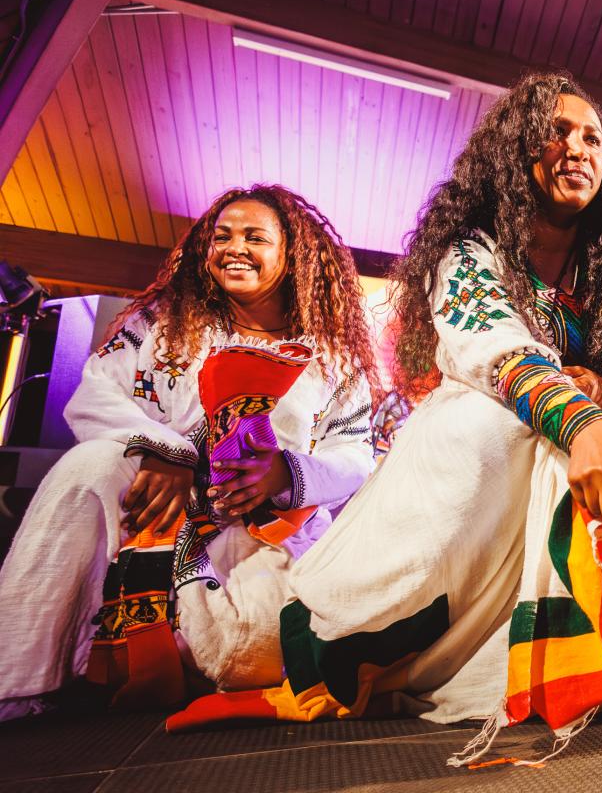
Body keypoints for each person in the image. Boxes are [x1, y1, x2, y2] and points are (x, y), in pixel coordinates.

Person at [168, 74, 602, 759]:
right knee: (505, 428)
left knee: (576, 472)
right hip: (469, 458)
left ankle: (553, 654)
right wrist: (585, 420)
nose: (579, 149)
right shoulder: (469, 250)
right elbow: (494, 347)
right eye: (558, 132)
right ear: (515, 151)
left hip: (570, 450)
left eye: (593, 138)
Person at [0, 185, 377, 721]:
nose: (234, 248)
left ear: (293, 254)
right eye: (221, 236)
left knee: (259, 648)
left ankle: (170, 660)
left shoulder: (331, 357)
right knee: (89, 465)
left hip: (260, 523)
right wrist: (166, 451)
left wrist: (283, 474)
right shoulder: (163, 323)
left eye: (255, 237)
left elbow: (355, 455)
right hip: (156, 501)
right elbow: (94, 392)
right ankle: (19, 679)